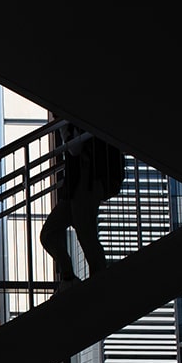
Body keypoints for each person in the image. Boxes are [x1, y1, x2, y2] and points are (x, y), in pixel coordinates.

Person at [39, 124, 124, 290]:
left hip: (87, 181)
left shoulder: (72, 122)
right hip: (77, 184)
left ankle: (97, 284)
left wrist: (65, 128)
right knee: (50, 233)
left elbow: (75, 149)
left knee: (85, 234)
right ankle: (70, 278)